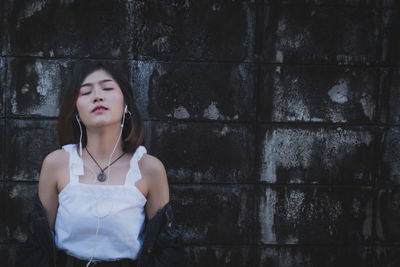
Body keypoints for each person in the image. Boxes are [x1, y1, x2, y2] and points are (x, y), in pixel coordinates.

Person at [17, 62, 184, 267]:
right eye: (86, 92)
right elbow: (39, 246)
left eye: (107, 88)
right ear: (76, 111)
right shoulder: (56, 163)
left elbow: (166, 249)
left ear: (126, 106)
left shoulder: (149, 169)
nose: (97, 96)